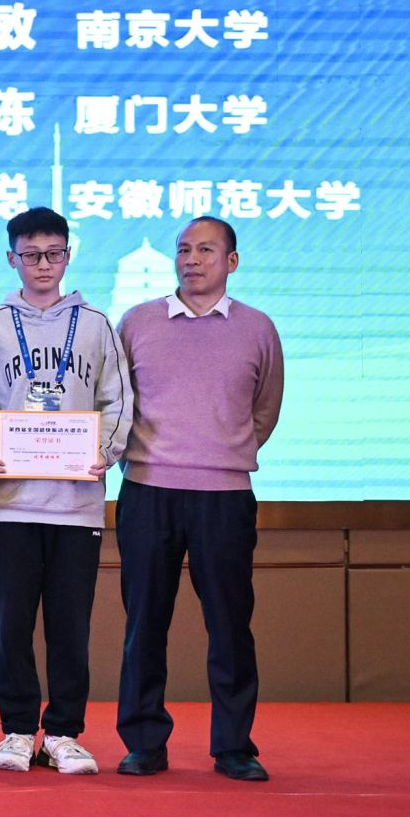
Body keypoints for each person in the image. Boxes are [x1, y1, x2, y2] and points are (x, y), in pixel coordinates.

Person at [0, 206, 133, 776]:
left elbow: (117, 399)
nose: (43, 264)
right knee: (10, 626)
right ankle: (15, 730)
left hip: (76, 505)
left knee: (69, 627)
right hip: (9, 505)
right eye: (31, 255)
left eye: (53, 254)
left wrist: (104, 451)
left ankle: (62, 732)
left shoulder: (97, 325)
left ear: (68, 256)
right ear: (12, 258)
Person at [114, 217, 285, 782]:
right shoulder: (138, 322)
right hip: (148, 490)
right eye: (184, 249)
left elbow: (264, 410)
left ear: (231, 262)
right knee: (144, 623)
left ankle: (234, 746)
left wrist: (222, 451)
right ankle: (144, 742)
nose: (192, 259)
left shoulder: (257, 328)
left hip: (224, 496)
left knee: (231, 624)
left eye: (206, 250)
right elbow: (117, 402)